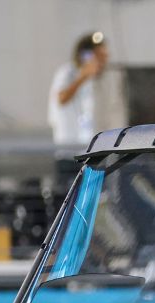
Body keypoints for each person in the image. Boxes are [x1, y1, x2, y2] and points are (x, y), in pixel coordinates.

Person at [48, 31, 109, 193]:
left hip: (88, 154)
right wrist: (82, 76)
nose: (103, 61)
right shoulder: (67, 72)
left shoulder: (92, 83)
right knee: (67, 202)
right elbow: (61, 98)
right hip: (69, 153)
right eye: (98, 56)